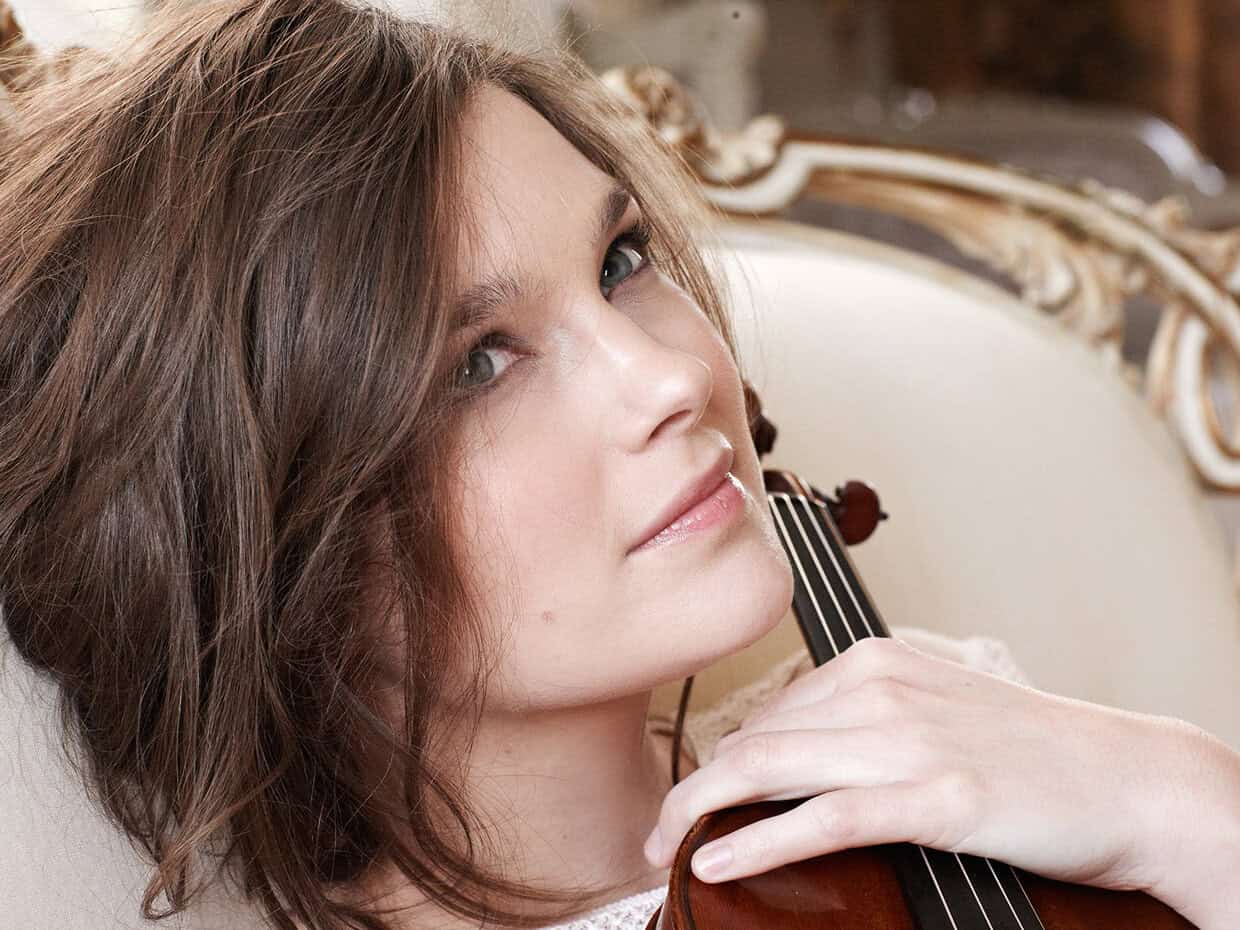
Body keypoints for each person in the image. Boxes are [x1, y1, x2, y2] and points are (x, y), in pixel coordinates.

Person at [0, 2, 1236, 929]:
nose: (672, 378)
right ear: (268, 548)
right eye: (477, 363)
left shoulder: (959, 743)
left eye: (621, 263)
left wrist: (1180, 799)